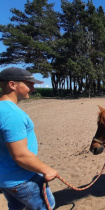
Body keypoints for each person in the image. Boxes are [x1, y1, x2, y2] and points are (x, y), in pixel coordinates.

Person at [0, 67, 58, 210]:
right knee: (47, 206)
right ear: (12, 84)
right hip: (22, 179)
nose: (32, 89)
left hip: (5, 178)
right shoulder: (12, 114)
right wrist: (46, 169)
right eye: (29, 84)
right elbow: (20, 155)